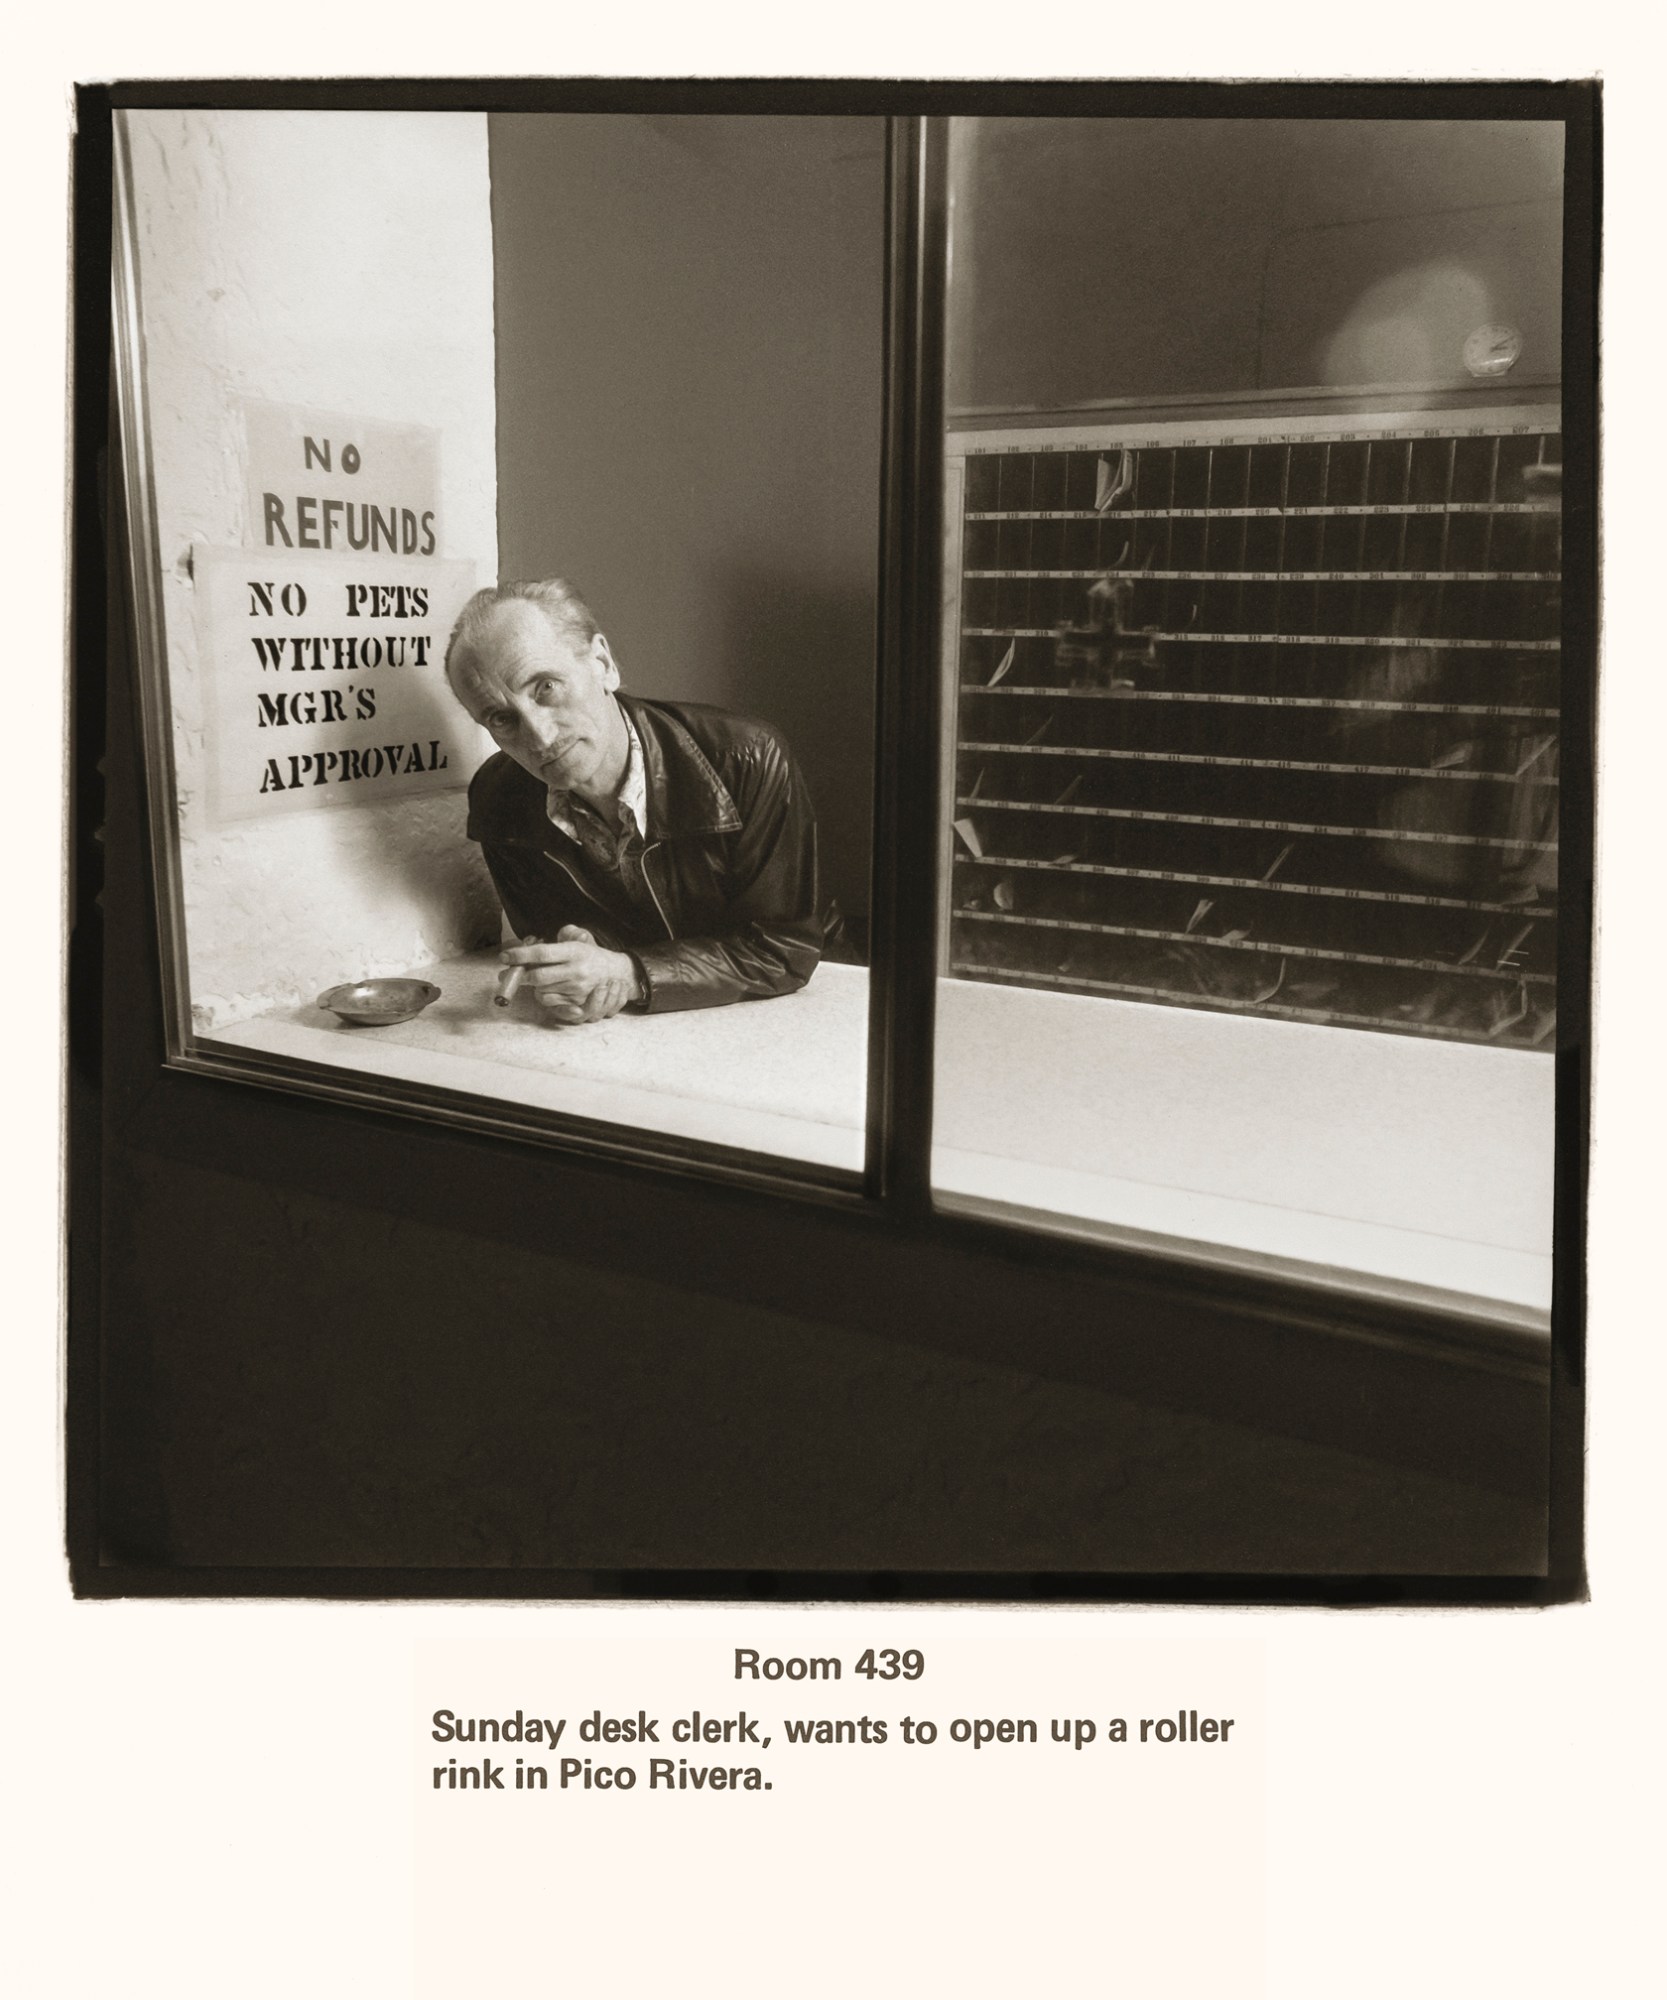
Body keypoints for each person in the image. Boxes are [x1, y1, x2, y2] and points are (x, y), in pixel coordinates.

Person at [444, 578, 836, 1021]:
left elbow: (783, 948)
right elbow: (551, 936)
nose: (540, 736)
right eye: (501, 717)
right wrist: (571, 975)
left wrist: (629, 975)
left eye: (546, 688)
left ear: (603, 663)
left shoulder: (747, 756)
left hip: (800, 1010)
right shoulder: (498, 799)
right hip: (636, 1032)